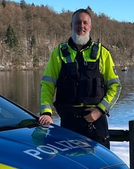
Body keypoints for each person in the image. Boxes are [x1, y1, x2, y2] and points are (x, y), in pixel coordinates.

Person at [38, 8, 121, 147]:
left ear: (90, 26)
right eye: (77, 22)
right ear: (71, 25)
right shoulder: (59, 53)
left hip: (96, 122)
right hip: (69, 123)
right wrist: (46, 112)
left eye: (85, 23)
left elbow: (115, 86)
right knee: (71, 166)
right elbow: (47, 85)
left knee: (99, 166)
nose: (81, 26)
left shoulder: (102, 53)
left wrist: (100, 110)